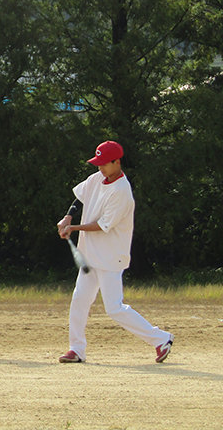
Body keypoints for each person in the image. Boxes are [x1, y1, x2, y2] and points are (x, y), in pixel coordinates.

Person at [57, 140, 173, 364]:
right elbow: (80, 196)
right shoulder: (97, 178)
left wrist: (73, 228)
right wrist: (68, 216)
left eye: (104, 163)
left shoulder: (121, 191)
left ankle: (161, 339)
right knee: (79, 299)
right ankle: (76, 349)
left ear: (117, 162)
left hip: (111, 256)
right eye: (98, 163)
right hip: (90, 254)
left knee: (114, 308)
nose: (100, 167)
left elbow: (102, 225)